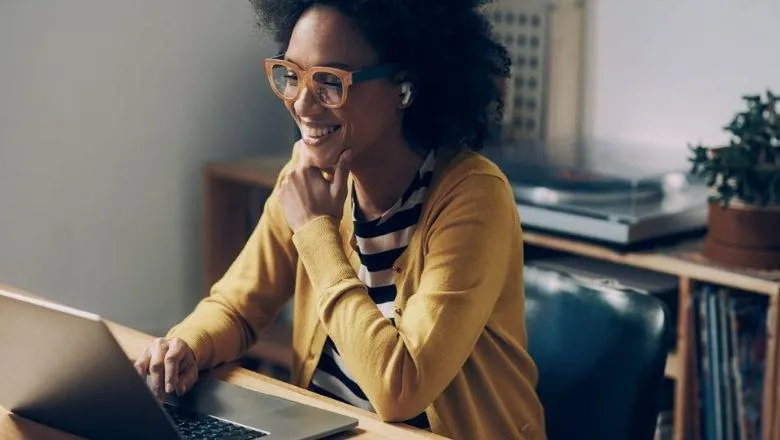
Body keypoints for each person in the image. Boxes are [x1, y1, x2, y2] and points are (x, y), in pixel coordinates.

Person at [134, 0, 546, 438]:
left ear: (403, 90)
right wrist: (188, 346)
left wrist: (316, 233)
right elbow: (237, 307)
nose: (302, 104)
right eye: (292, 76)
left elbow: (399, 388)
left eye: (330, 82)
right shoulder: (306, 179)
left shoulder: (473, 197)